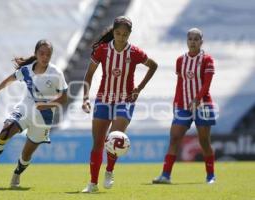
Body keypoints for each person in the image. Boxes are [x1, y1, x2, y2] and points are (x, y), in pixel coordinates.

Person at [0, 39, 68, 188]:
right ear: (36, 54)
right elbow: (10, 79)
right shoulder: (27, 70)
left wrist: (48, 104)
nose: (45, 57)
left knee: (26, 154)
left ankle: (16, 174)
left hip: (43, 118)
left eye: (48, 54)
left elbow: (64, 97)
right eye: (41, 53)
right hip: (25, 108)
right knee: (5, 130)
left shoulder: (56, 73)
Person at [81, 16, 158, 193]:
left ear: (129, 34)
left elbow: (153, 66)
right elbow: (89, 75)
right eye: (118, 33)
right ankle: (92, 184)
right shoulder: (102, 50)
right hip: (103, 99)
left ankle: (109, 170)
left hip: (125, 100)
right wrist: (85, 98)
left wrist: (139, 88)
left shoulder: (135, 53)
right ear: (113, 32)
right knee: (98, 143)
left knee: (115, 137)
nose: (121, 37)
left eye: (125, 34)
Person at [152, 28, 216, 184]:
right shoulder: (181, 60)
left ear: (201, 41)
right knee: (174, 138)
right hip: (183, 105)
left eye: (196, 39)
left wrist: (197, 99)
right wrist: (176, 103)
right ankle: (165, 175)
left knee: (204, 141)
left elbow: (207, 84)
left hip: (203, 105)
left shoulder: (207, 60)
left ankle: (210, 176)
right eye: (190, 39)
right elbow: (180, 84)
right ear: (186, 41)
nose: (193, 42)